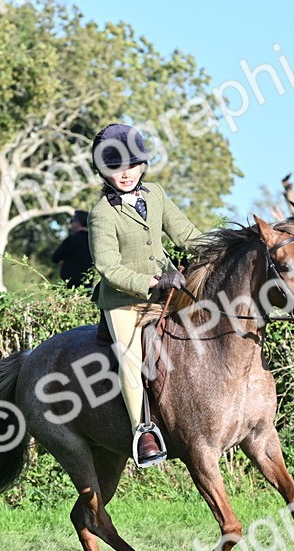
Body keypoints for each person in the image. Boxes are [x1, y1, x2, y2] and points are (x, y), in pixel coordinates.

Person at [88, 122, 203, 467]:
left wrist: (220, 250)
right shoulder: (101, 214)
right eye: (116, 169)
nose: (126, 174)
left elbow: (186, 235)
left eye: (132, 166)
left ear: (142, 165)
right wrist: (152, 282)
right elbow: (108, 267)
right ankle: (144, 431)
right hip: (125, 301)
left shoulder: (155, 195)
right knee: (130, 360)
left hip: (167, 292)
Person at [51, 211, 95, 289]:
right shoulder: (94, 241)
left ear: (77, 222)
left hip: (70, 288)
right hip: (88, 285)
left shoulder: (72, 240)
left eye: (72, 221)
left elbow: (55, 258)